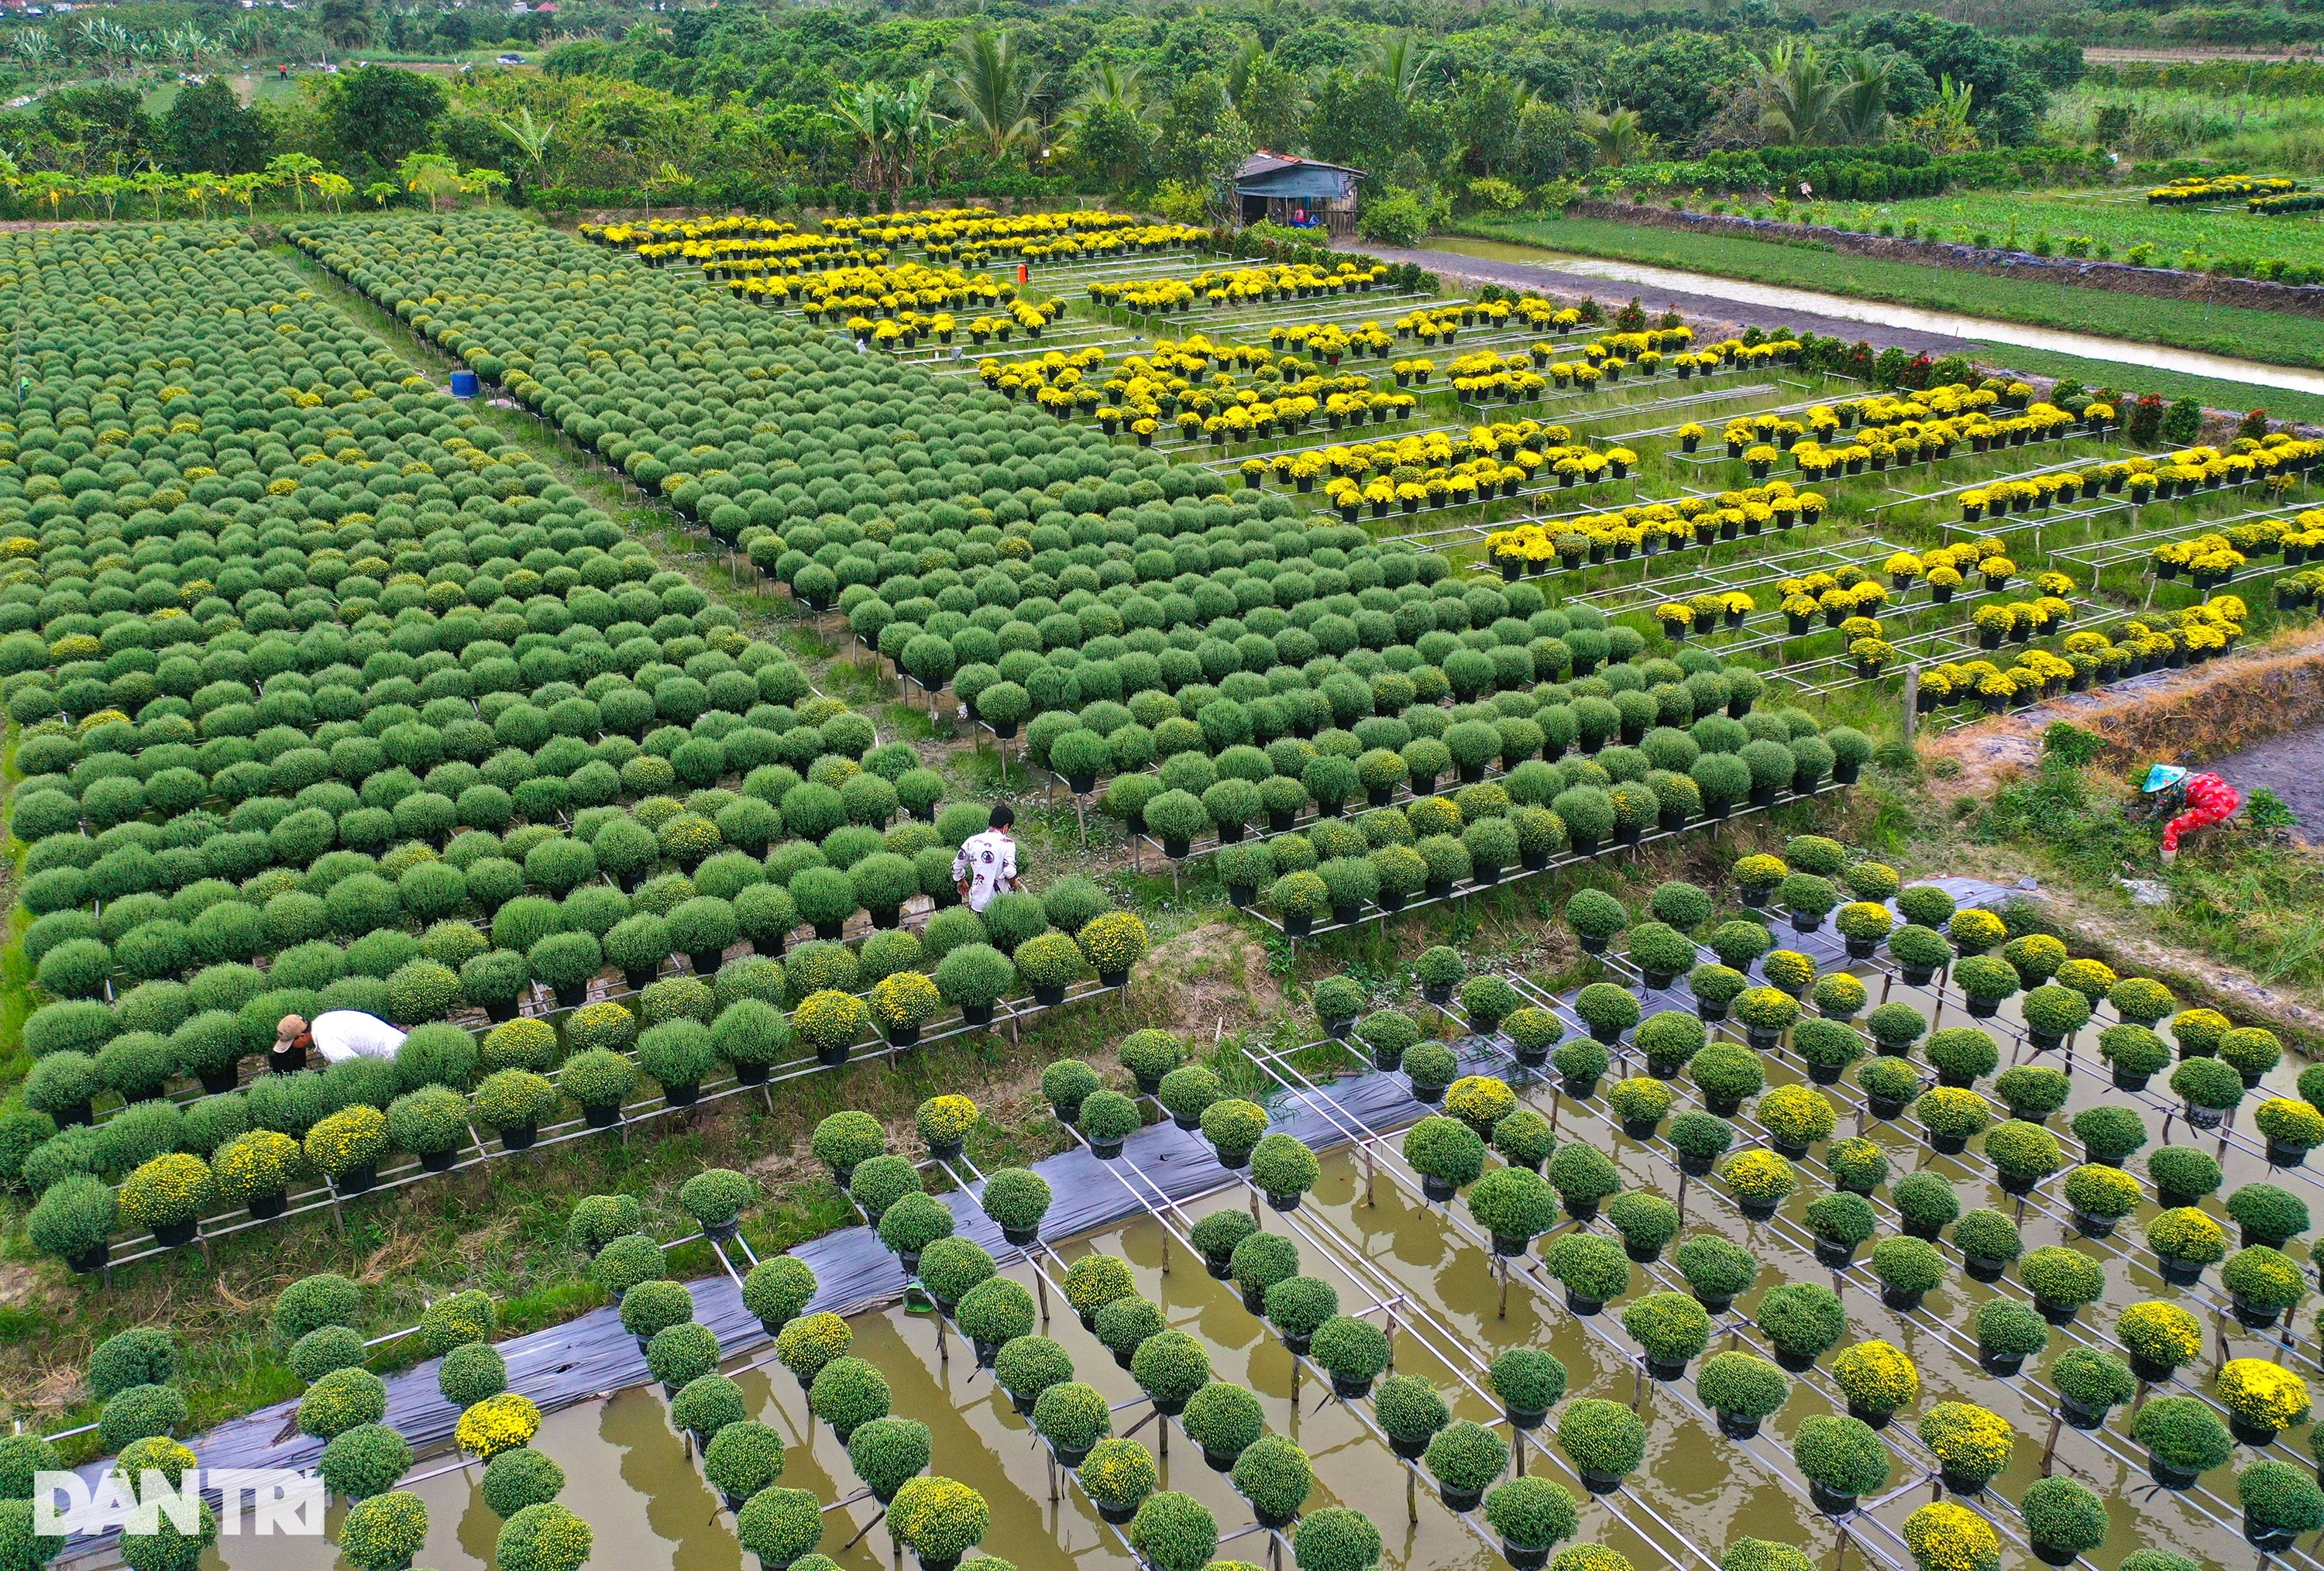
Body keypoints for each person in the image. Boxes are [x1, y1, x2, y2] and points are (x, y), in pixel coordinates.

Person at [952, 803, 1021, 914]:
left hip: (977, 902)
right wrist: (1015, 883)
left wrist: (961, 880)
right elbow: (1009, 871)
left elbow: (956, 866)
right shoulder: (1008, 844)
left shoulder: (972, 841)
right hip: (1000, 904)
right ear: (1006, 827)